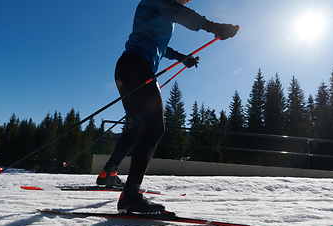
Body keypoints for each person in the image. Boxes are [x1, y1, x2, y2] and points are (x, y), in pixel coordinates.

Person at [96, 0, 238, 214]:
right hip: (136, 67)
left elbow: (160, 46)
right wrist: (213, 26)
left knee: (139, 126)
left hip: (129, 68)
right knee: (154, 127)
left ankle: (109, 173)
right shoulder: (158, 1)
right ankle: (130, 196)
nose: (187, 0)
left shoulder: (159, 11)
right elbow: (178, 12)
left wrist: (181, 57)